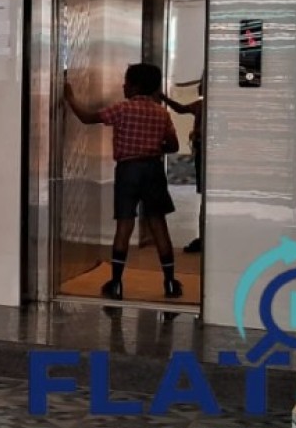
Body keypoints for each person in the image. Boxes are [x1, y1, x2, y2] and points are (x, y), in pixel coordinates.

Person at [63, 63, 182, 301]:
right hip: (153, 169)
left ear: (135, 86)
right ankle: (170, 282)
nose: (123, 86)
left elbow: (87, 118)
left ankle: (116, 284)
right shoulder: (161, 113)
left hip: (128, 170)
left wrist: (70, 98)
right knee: (158, 224)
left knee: (124, 225)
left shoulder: (122, 109)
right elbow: (173, 146)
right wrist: (153, 147)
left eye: (126, 82)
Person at [160, 81, 204, 253]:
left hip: (204, 154)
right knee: (204, 197)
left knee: (205, 197)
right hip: (202, 154)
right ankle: (203, 237)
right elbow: (180, 109)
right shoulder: (201, 105)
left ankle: (203, 238)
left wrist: (163, 98)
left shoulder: (202, 105)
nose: (199, 88)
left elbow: (180, 109)